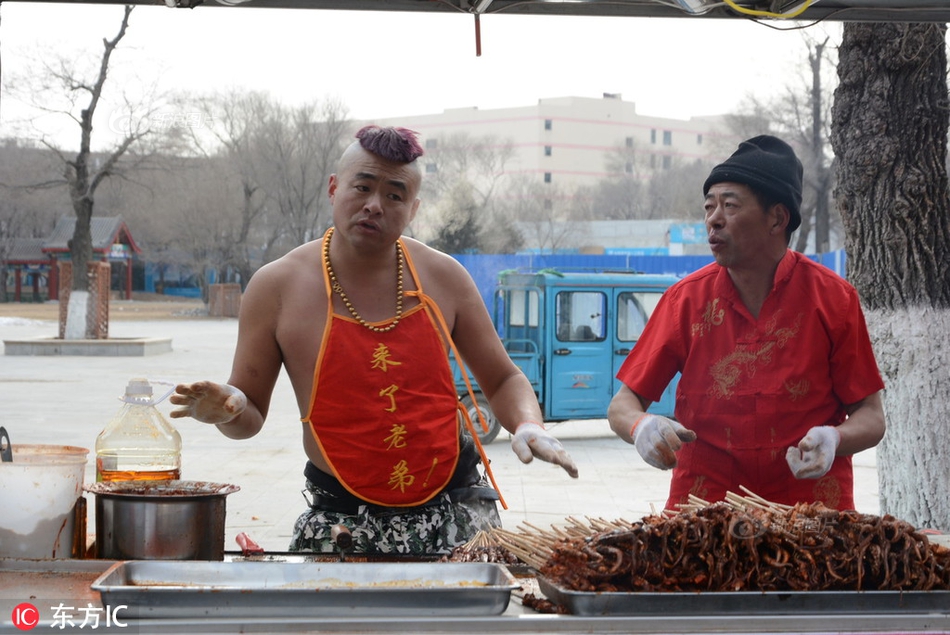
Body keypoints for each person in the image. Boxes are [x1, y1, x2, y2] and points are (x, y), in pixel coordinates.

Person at [170, 125, 578, 555]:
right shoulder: (277, 287)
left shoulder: (445, 277)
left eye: (394, 195)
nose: (374, 206)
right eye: (362, 187)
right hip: (340, 519)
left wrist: (528, 424)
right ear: (333, 187)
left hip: (455, 514)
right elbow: (248, 416)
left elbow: (502, 379)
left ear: (413, 208)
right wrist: (226, 411)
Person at [607, 135, 885, 512]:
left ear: (777, 217)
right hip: (704, 513)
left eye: (730, 206)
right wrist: (641, 428)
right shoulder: (686, 300)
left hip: (808, 515)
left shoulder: (832, 299)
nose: (713, 219)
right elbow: (623, 404)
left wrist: (835, 438)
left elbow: (871, 415)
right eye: (709, 207)